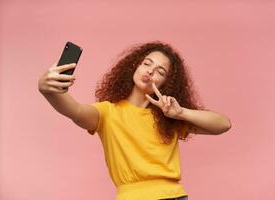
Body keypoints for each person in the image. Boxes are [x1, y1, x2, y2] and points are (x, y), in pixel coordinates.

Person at [38, 41, 232, 200]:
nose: (150, 71)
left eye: (160, 72)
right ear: (136, 66)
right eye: (147, 63)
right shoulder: (108, 112)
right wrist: (48, 91)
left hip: (174, 196)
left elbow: (223, 124)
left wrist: (180, 113)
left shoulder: (168, 117)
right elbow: (76, 112)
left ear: (167, 84)